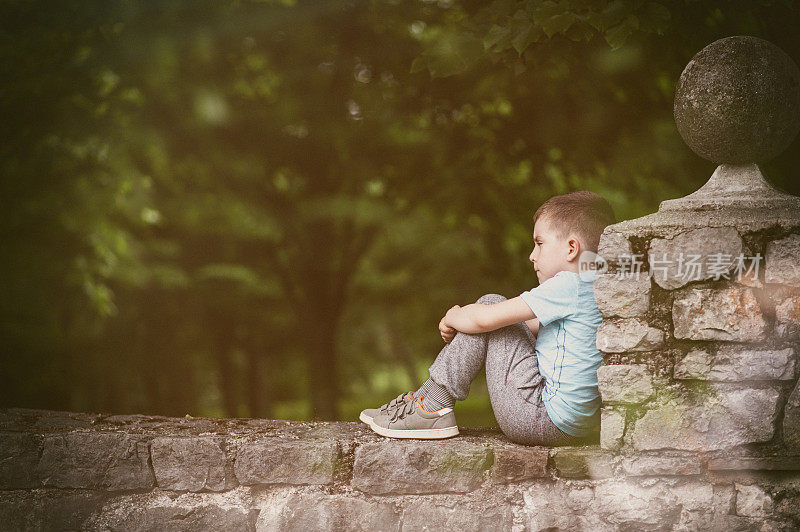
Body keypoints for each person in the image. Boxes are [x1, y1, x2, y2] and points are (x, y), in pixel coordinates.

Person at [359, 190, 616, 446]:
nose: (532, 255)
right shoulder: (595, 287)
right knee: (493, 313)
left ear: (572, 248)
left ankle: (431, 406)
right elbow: (531, 327)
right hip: (573, 426)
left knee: (491, 302)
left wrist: (454, 316)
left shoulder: (568, 285)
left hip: (541, 419)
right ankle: (426, 400)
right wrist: (470, 320)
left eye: (539, 243)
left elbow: (485, 319)